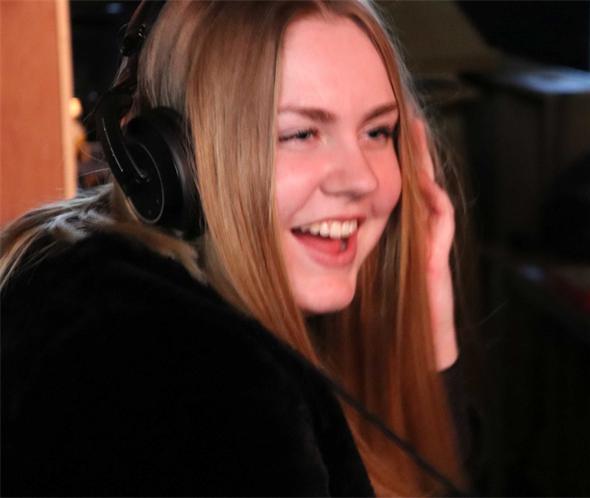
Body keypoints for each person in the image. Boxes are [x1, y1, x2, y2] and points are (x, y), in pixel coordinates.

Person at [1, 1, 471, 496]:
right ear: (173, 164)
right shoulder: (188, 385)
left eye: (377, 132)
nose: (363, 180)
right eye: (300, 134)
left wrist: (428, 315)